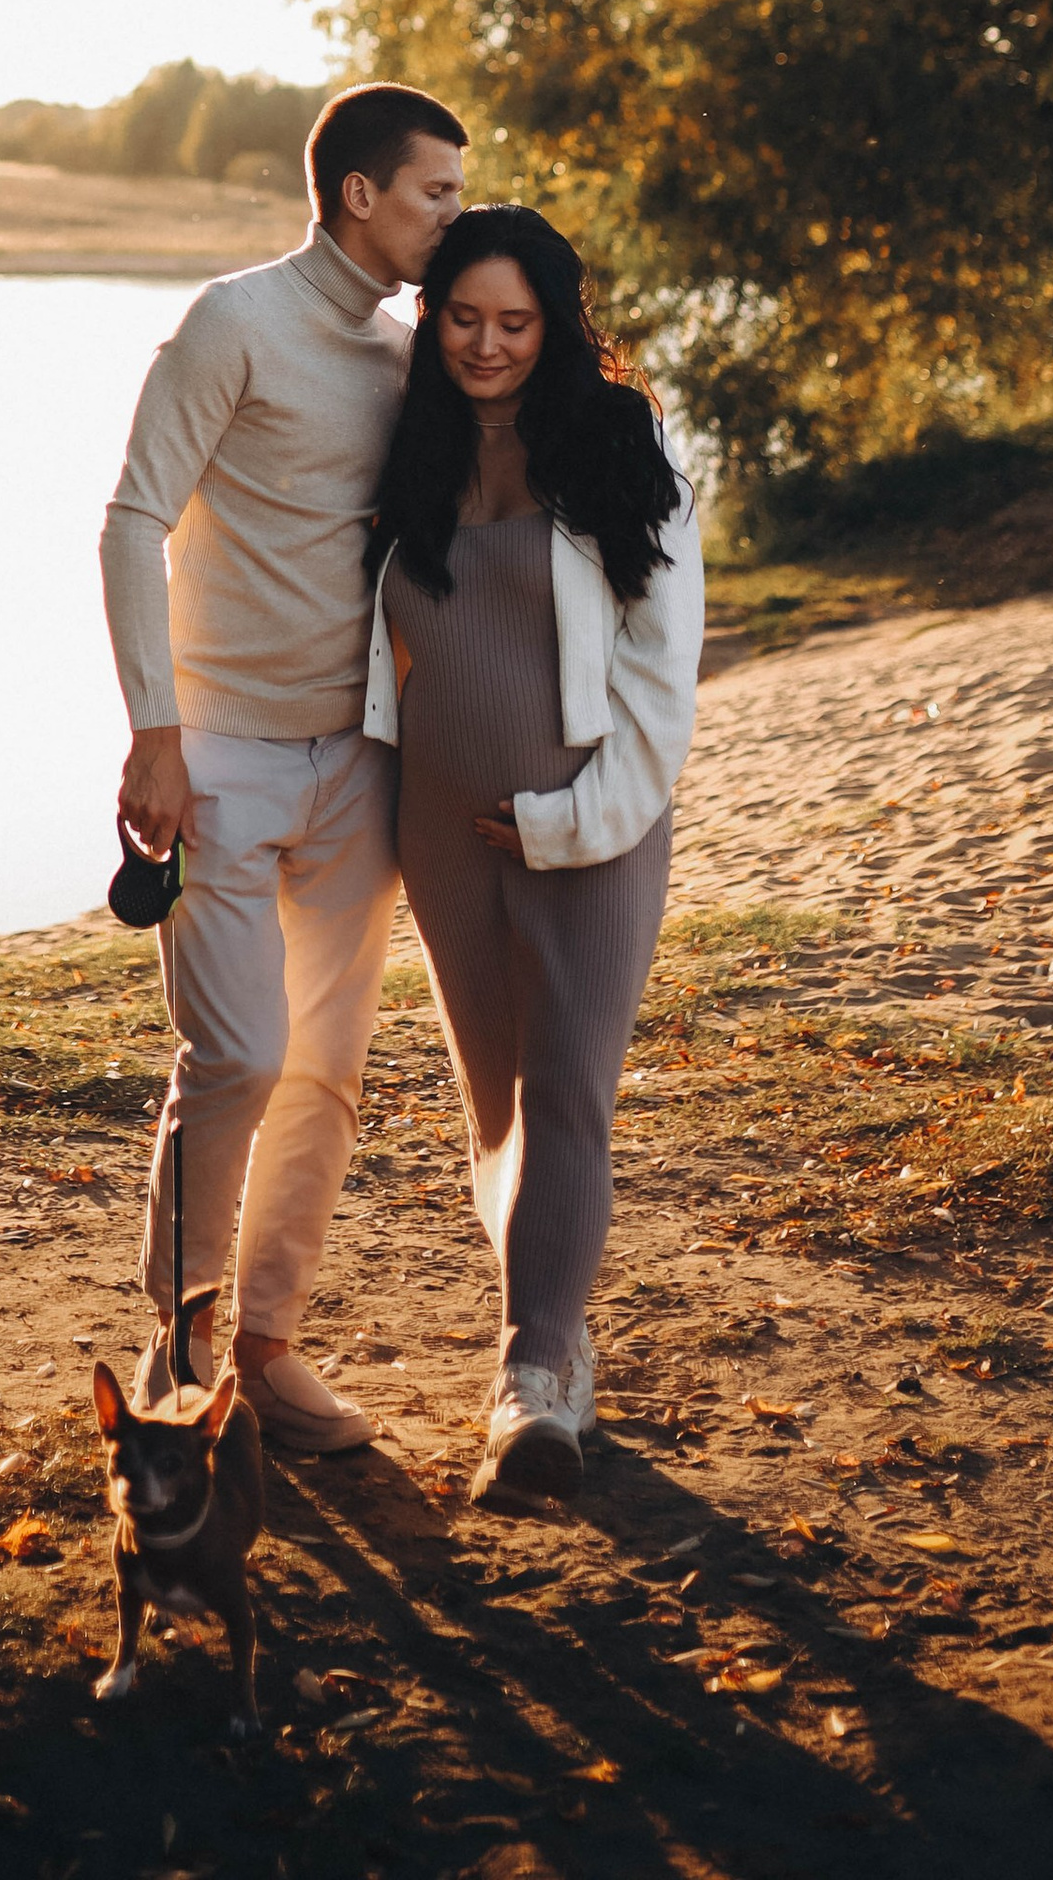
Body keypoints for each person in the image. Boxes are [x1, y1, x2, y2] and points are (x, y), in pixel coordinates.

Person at [100, 81, 468, 1454]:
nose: (451, 214)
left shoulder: (407, 353)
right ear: (361, 194)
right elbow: (133, 520)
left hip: (361, 765)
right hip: (224, 758)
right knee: (239, 1054)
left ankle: (268, 1341)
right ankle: (182, 1335)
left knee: (324, 1069)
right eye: (434, 190)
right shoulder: (231, 322)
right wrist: (155, 732)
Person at [361, 204, 702, 1501]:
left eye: (515, 322)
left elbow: (662, 670)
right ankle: (556, 1336)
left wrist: (573, 820)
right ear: (433, 314)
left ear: (554, 323)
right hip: (442, 832)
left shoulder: (616, 437)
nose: (487, 344)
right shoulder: (412, 439)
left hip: (585, 832)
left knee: (569, 1096)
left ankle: (531, 1377)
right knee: (498, 1106)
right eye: (463, 317)